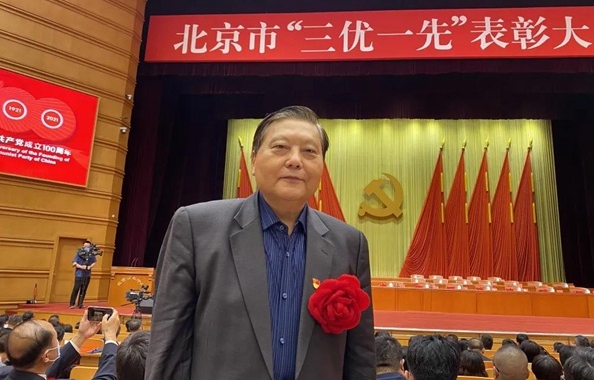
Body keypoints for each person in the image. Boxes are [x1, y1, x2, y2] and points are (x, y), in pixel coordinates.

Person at [146, 106, 376, 380]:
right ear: (254, 160)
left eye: (309, 151)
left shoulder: (349, 243)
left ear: (322, 167)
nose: (295, 160)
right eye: (280, 147)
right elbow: (169, 346)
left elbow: (360, 360)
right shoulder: (196, 228)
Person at [69, 240, 97, 309]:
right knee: (76, 288)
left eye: (88, 246)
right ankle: (72, 304)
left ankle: (80, 303)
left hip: (87, 274)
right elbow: (74, 263)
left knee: (84, 289)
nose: (86, 248)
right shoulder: (78, 254)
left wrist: (90, 266)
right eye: (85, 246)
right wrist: (81, 267)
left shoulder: (91, 254)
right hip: (79, 275)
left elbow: (94, 262)